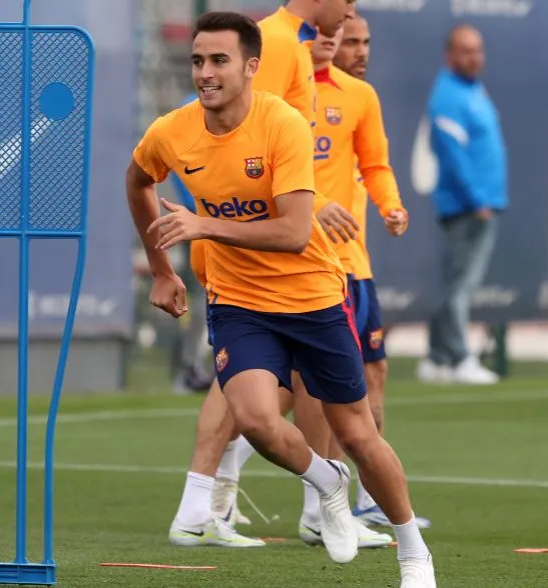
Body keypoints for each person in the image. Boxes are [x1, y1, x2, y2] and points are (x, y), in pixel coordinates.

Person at [126, 12, 437, 586]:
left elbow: (294, 232)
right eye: (197, 60)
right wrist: (162, 272)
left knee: (358, 435)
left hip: (311, 295)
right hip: (238, 301)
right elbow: (138, 180)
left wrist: (204, 225)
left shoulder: (283, 124)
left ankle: (413, 552)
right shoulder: (172, 130)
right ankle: (325, 481)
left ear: (251, 67)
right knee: (254, 419)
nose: (205, 72)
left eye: (219, 60)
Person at [170, 0, 359, 545]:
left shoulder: (297, 45)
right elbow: (238, 142)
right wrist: (311, 204)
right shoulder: (272, 43)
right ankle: (213, 502)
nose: (349, 13)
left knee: (283, 386)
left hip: (275, 249)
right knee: (243, 387)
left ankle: (224, 503)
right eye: (348, 4)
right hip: (252, 255)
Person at [330, 14, 432, 530]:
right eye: (351, 41)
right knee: (298, 393)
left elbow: (375, 166)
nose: (362, 50)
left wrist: (391, 206)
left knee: (372, 374)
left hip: (357, 265)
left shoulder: (360, 98)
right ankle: (218, 485)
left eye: (366, 42)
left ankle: (367, 500)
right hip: (319, 266)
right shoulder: (298, 98)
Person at [416, 24, 507, 386]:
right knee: (460, 287)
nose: (475, 57)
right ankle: (460, 358)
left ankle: (437, 358)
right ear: (449, 55)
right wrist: (477, 199)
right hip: (468, 205)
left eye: (478, 50)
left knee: (455, 282)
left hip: (480, 203)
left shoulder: (472, 88)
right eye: (466, 51)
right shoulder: (449, 95)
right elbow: (453, 155)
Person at [170, 92, 212, 395]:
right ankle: (190, 367)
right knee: (201, 295)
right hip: (200, 225)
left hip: (224, 221)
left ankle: (199, 364)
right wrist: (198, 214)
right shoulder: (188, 110)